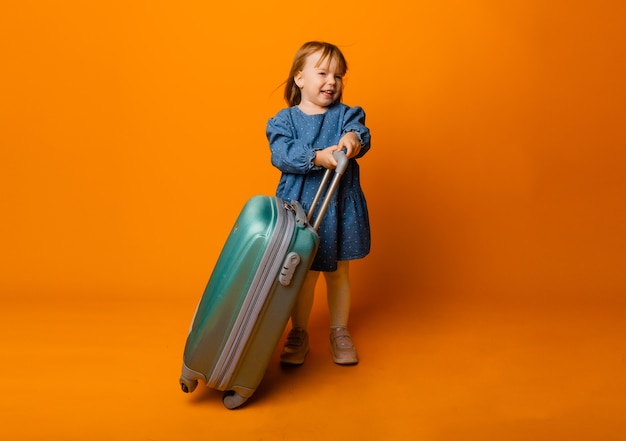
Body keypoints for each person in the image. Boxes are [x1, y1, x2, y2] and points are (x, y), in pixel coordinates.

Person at [266, 41, 371, 365]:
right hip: (302, 210)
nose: (331, 81)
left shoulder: (345, 115)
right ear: (299, 78)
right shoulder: (284, 121)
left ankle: (339, 330)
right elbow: (281, 153)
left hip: (337, 208)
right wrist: (317, 156)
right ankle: (299, 331)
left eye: (338, 75)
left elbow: (358, 132)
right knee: (302, 274)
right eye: (323, 72)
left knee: (339, 272)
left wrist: (351, 141)